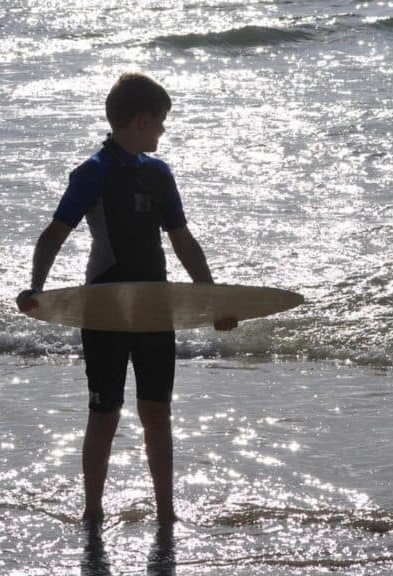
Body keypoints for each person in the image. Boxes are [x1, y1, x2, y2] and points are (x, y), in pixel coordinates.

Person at [16, 72, 235, 532]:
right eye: (159, 122)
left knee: (157, 410)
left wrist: (212, 298)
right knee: (105, 411)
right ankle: (93, 510)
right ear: (140, 120)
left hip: (155, 307)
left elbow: (182, 241)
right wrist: (36, 286)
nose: (162, 131)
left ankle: (166, 510)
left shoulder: (159, 174)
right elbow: (54, 234)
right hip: (106, 307)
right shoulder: (92, 173)